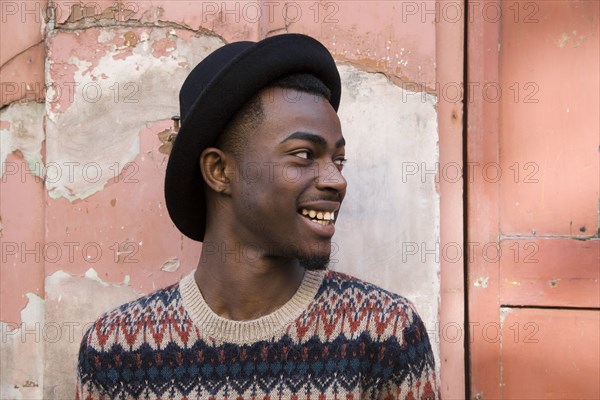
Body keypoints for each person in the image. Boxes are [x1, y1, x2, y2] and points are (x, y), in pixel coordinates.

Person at [76, 33, 439, 399]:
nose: (337, 180)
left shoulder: (384, 333)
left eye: (338, 160)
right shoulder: (118, 350)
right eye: (303, 155)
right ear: (219, 171)